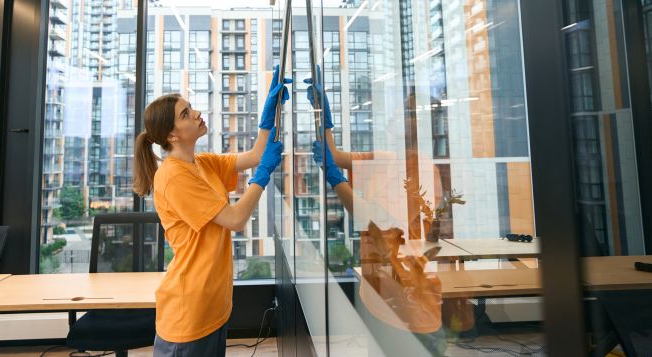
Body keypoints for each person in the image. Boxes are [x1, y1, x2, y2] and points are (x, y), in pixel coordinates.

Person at [133, 65, 291, 356]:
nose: (196, 113)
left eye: (190, 108)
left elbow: (256, 155)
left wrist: (269, 116)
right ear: (172, 135)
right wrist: (262, 176)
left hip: (213, 305)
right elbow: (235, 219)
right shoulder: (174, 176)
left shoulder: (203, 163)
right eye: (185, 114)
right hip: (189, 312)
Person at [305, 69, 448, 356]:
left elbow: (374, 220)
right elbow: (334, 156)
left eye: (407, 112)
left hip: (409, 305)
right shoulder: (386, 159)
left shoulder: (423, 171)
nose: (397, 114)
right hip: (377, 294)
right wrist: (323, 115)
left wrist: (334, 177)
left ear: (420, 124)